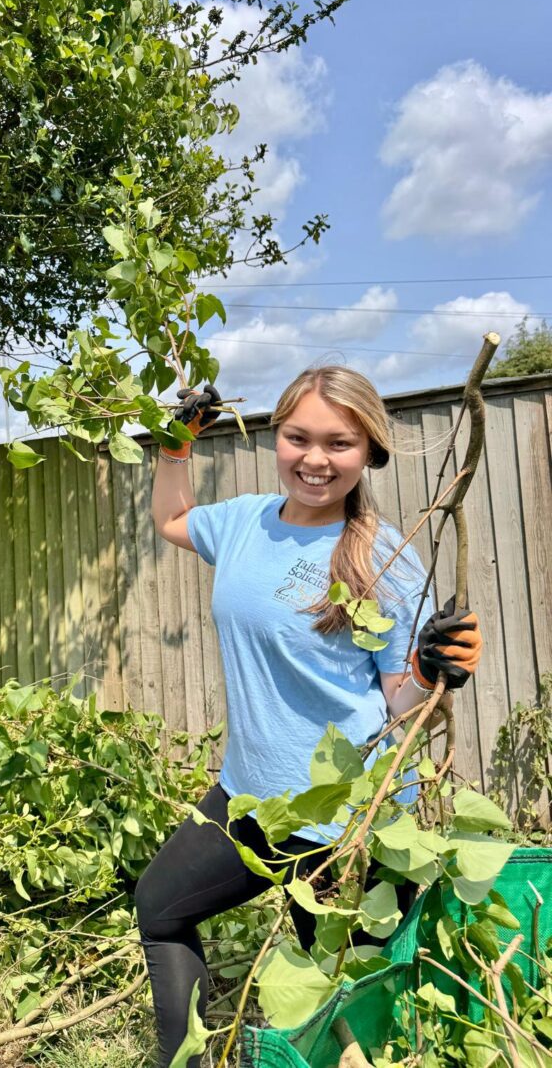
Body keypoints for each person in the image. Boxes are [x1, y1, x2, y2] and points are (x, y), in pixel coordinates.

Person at [135, 365, 483, 1068]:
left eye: (339, 443)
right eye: (299, 437)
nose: (316, 459)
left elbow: (399, 705)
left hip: (346, 820)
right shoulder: (243, 521)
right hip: (253, 797)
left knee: (343, 1029)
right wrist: (175, 447)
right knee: (161, 906)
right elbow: (172, 518)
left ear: (369, 453)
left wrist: (432, 670)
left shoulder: (387, 557)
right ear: (276, 435)